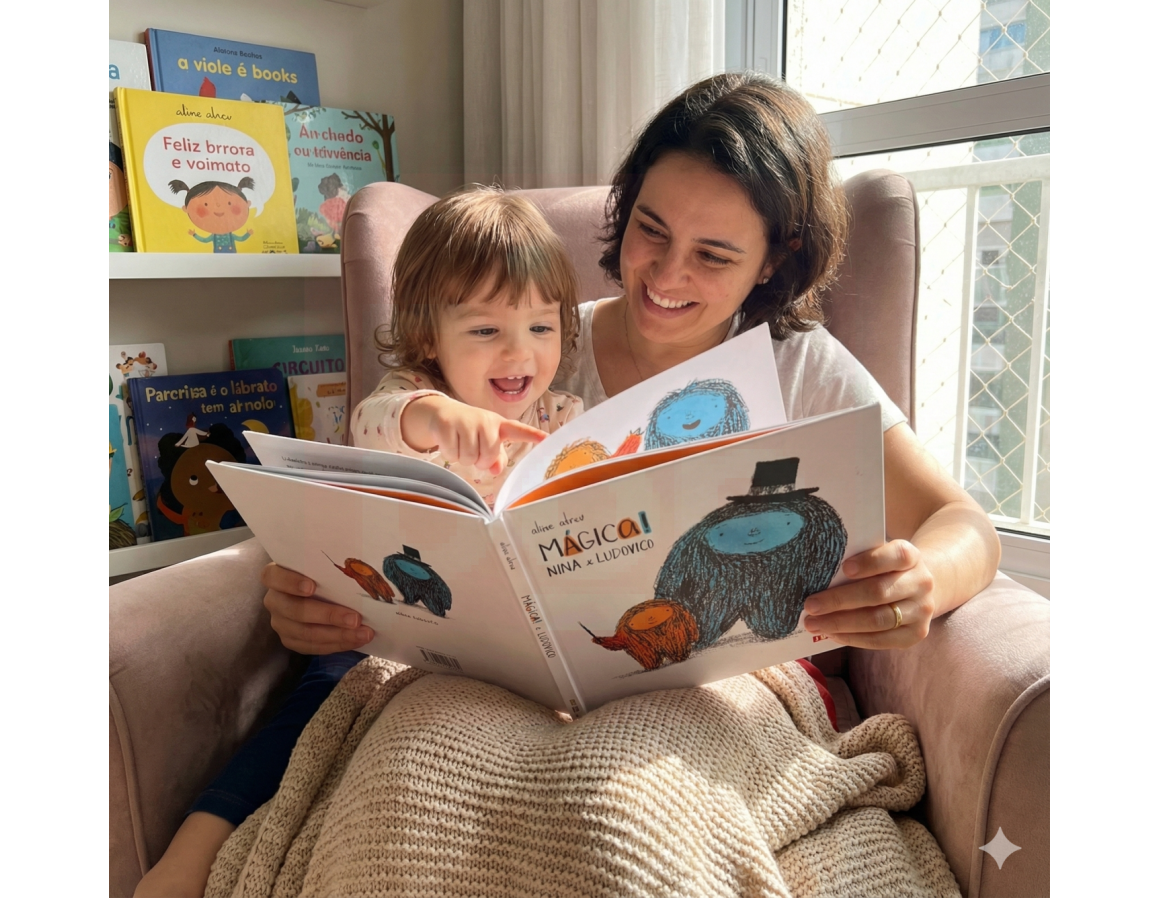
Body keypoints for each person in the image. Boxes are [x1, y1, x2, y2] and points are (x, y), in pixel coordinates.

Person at [137, 71, 1001, 896]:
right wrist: (313, 595)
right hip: (486, 682)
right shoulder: (533, 343)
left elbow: (963, 524)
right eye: (651, 230)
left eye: (713, 255)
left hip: (704, 681)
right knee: (410, 801)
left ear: (776, 260)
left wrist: (922, 580)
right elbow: (387, 465)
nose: (666, 275)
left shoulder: (799, 365)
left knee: (619, 819)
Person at [133, 187, 584, 897]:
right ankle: (193, 849)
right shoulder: (408, 395)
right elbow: (381, 421)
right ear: (429, 335)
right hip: (384, 621)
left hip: (517, 640)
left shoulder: (563, 417)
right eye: (485, 329)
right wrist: (436, 418)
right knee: (315, 704)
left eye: (540, 326)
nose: (519, 352)